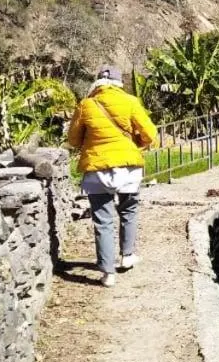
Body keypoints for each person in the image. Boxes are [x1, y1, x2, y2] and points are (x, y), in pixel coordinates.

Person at [67, 65, 157, 288]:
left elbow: (73, 140)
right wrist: (138, 145)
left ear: (97, 83)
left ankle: (108, 273)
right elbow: (150, 134)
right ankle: (127, 256)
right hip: (128, 168)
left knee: (103, 220)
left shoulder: (86, 105)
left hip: (97, 170)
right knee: (128, 210)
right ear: (119, 83)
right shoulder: (130, 102)